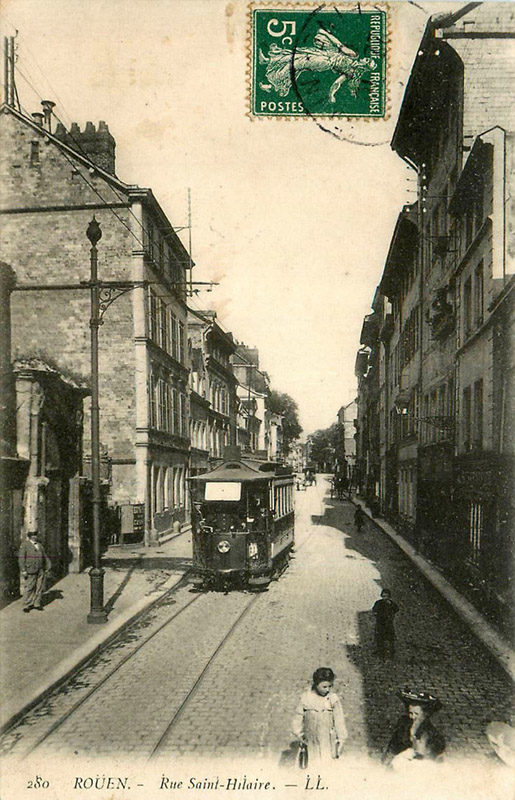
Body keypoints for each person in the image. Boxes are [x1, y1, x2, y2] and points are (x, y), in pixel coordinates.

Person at [292, 667, 347, 765]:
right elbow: (298, 718)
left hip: (328, 740)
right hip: (310, 740)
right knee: (311, 764)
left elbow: (339, 721)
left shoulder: (333, 699)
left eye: (330, 686)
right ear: (316, 684)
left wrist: (341, 739)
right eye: (324, 687)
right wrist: (300, 735)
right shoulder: (306, 698)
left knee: (327, 764)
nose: (327, 690)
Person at [383, 689, 445, 767]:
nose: (413, 717)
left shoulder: (430, 733)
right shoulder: (403, 727)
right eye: (410, 713)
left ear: (424, 715)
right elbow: (392, 749)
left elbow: (433, 759)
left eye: (416, 714)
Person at [18, 529, 51, 612]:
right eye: (33, 535)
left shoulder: (39, 545)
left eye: (36, 535)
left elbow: (45, 556)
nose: (35, 537)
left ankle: (37, 604)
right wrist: (23, 570)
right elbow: (21, 558)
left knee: (39, 587)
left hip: (40, 569)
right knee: (30, 587)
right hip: (30, 569)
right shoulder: (25, 545)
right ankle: (27, 604)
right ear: (29, 536)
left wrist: (48, 566)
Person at [372, 588, 399, 658]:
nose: (385, 598)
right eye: (384, 596)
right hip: (380, 623)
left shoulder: (391, 603)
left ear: (389, 597)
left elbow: (396, 609)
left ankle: (392, 652)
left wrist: (391, 606)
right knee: (379, 637)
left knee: (390, 637)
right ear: (381, 596)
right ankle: (380, 652)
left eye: (387, 596)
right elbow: (374, 610)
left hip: (388, 623)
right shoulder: (378, 603)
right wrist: (376, 614)